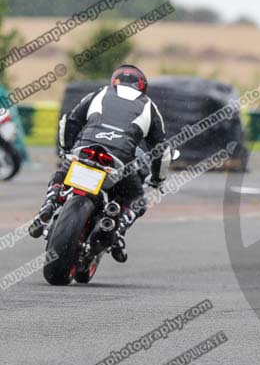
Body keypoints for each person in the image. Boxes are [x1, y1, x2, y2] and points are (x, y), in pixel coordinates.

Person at [29, 65, 169, 263]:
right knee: (137, 197)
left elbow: (68, 121)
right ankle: (118, 231)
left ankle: (48, 206)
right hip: (118, 158)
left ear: (115, 81)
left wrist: (66, 150)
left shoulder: (100, 93)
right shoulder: (149, 106)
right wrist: (157, 180)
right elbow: (162, 151)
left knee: (63, 172)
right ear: (142, 87)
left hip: (86, 149)